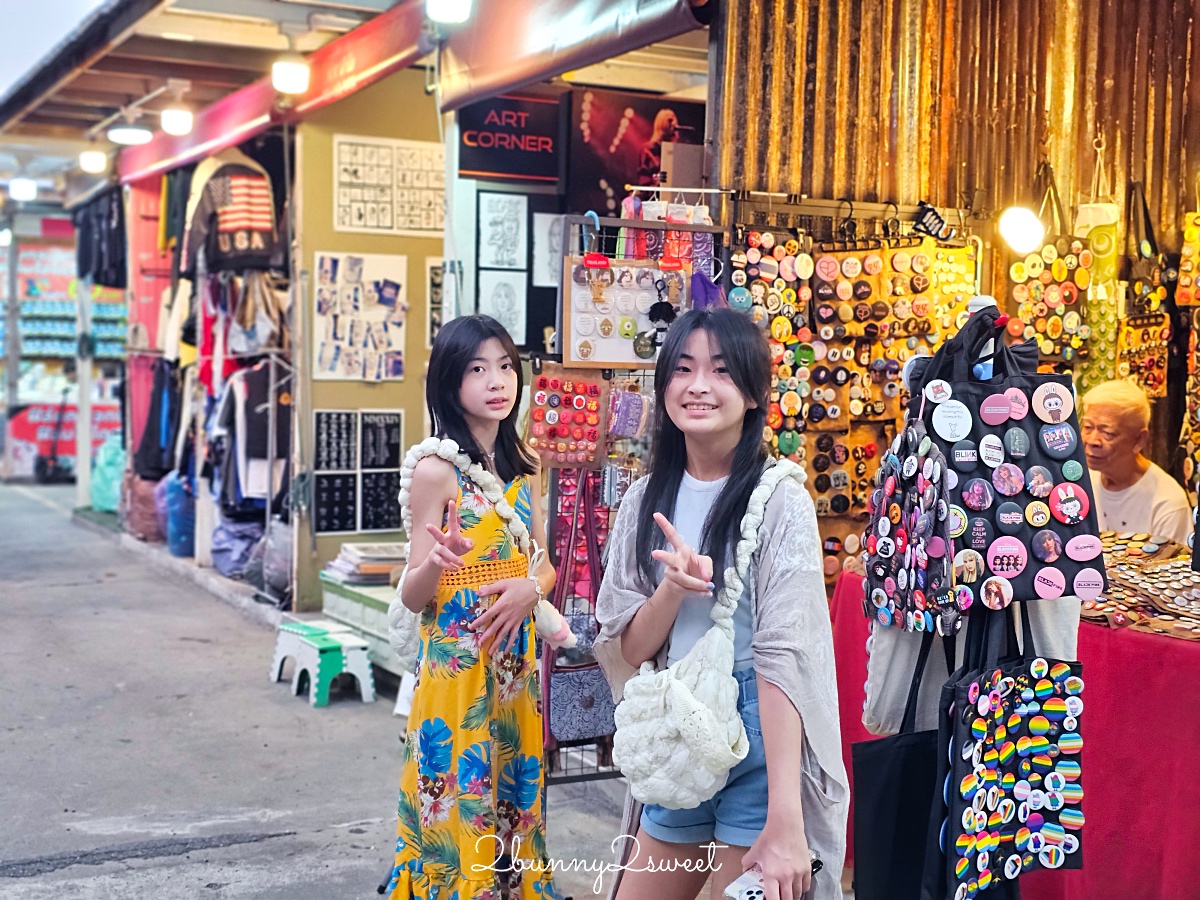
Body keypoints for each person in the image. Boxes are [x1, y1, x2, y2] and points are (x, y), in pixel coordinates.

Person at [594, 308, 848, 900]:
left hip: (761, 737)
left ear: (756, 392)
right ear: (664, 386)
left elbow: (786, 658)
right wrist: (672, 590)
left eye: (722, 371)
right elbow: (627, 648)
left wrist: (786, 817)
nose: (699, 386)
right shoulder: (642, 500)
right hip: (677, 732)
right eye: (683, 369)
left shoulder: (781, 499)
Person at [385, 315, 561, 900]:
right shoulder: (436, 470)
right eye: (477, 368)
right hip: (458, 671)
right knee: (460, 797)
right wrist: (440, 561)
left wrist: (529, 590)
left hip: (513, 667)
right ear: (449, 382)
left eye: (506, 366)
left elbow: (544, 566)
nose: (498, 381)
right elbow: (411, 596)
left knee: (512, 793)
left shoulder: (521, 465)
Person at [1080, 379, 1192, 545]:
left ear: (1139, 440)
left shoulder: (1168, 504)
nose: (1092, 440)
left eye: (1108, 433)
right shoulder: (1081, 480)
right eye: (1088, 427)